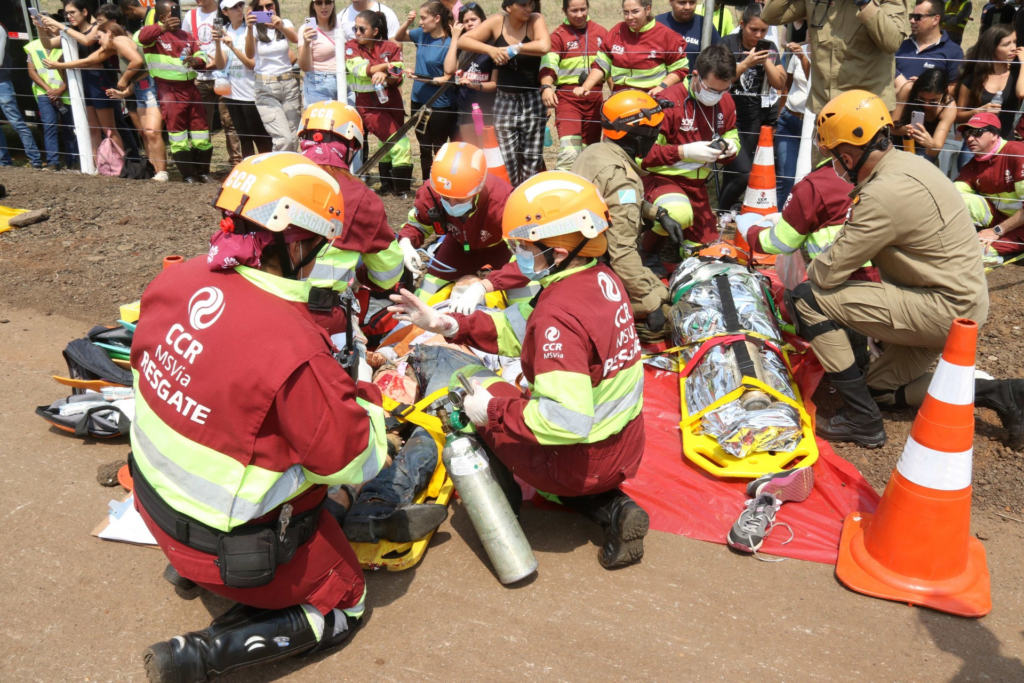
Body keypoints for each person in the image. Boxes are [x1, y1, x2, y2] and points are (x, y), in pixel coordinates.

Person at [132, 152, 387, 681]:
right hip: (228, 550)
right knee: (346, 599)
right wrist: (366, 396)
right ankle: (202, 653)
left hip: (151, 504)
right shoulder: (292, 344)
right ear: (296, 243)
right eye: (317, 247)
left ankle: (189, 569)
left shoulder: (177, 280)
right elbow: (352, 459)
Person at [388, 170, 652, 569]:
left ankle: (504, 507)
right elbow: (516, 328)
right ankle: (612, 507)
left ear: (560, 250)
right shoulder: (598, 279)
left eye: (524, 246)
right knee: (514, 402)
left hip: (583, 454)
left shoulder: (558, 316)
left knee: (473, 393)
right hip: (625, 445)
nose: (517, 255)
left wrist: (489, 412)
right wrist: (449, 325)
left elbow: (564, 421)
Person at [789, 89, 1024, 453]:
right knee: (881, 391)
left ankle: (860, 419)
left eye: (835, 158)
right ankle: (999, 392)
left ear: (848, 155)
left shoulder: (881, 194)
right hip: (960, 309)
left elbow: (826, 276)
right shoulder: (911, 167)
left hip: (940, 310)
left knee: (807, 298)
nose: (835, 166)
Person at [571, 90, 675, 342]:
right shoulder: (622, 179)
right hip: (590, 269)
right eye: (654, 133)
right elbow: (622, 254)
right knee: (666, 305)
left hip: (571, 254)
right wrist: (651, 304)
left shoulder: (594, 152)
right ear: (640, 137)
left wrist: (655, 212)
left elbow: (605, 201)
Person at [297, 102, 407, 308]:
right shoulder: (360, 196)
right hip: (319, 311)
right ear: (352, 145)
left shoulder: (268, 175)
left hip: (253, 299)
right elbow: (388, 273)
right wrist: (359, 279)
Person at [641, 44, 739, 254]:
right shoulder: (667, 101)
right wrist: (683, 152)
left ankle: (675, 244)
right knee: (677, 213)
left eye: (724, 89)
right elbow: (642, 156)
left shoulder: (726, 102)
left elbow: (731, 133)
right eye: (712, 90)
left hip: (696, 187)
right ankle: (647, 251)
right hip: (658, 180)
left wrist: (731, 148)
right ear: (695, 76)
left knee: (710, 251)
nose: (717, 96)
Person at [398, 141, 519, 303]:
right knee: (426, 294)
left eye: (461, 199)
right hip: (458, 245)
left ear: (479, 188)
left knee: (522, 295)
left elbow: (524, 254)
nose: (452, 205)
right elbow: (417, 224)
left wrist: (486, 285)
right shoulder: (431, 193)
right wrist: (406, 242)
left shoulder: (503, 202)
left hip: (501, 248)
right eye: (446, 198)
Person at [457, 0, 551, 186]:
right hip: (504, 99)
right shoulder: (497, 21)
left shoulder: (535, 20)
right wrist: (490, 49)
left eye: (530, 4)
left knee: (531, 159)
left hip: (531, 98)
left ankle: (526, 203)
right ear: (509, 7)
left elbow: (544, 46)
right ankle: (509, 199)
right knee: (506, 158)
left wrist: (515, 48)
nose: (528, 8)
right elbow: (463, 40)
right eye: (523, 4)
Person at [762, 0, 909, 112]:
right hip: (825, 110)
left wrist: (866, 4)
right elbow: (769, 16)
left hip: (866, 111)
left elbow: (892, 42)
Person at [742, 149, 869, 278]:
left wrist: (751, 234)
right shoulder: (881, 170)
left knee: (798, 296)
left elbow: (783, 241)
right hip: (884, 273)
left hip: (843, 278)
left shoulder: (815, 184)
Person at [718, 3, 785, 211]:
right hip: (727, 116)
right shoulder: (727, 43)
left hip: (752, 117)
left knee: (736, 171)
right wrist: (746, 63)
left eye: (763, 30)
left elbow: (780, 83)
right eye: (753, 29)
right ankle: (721, 209)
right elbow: (720, 79)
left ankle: (724, 210)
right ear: (742, 25)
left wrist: (766, 61)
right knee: (743, 173)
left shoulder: (770, 47)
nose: (758, 34)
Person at [37, 2, 124, 161]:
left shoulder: (97, 27)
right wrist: (40, 27)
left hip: (98, 81)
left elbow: (87, 41)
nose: (68, 16)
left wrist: (60, 26)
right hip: (82, 82)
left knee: (109, 129)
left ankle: (120, 165)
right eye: (66, 14)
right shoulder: (73, 31)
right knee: (93, 129)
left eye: (72, 12)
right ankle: (99, 165)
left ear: (84, 11)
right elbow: (47, 43)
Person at [138, 0, 213, 182]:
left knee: (200, 130)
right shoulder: (154, 36)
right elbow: (141, 37)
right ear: (162, 16)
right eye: (172, 13)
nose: (176, 16)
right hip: (169, 90)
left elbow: (200, 53)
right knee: (177, 133)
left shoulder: (186, 35)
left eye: (177, 12)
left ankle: (202, 172)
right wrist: (161, 28)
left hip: (191, 88)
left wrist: (198, 61)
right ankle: (187, 175)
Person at [343, 9, 413, 197]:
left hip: (392, 101)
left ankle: (387, 186)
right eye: (355, 28)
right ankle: (402, 191)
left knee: (387, 144)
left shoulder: (390, 46)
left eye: (362, 29)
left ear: (375, 31)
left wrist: (387, 74)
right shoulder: (351, 46)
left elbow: (400, 75)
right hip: (369, 106)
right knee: (401, 144)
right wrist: (386, 67)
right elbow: (360, 70)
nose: (357, 33)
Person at [540, 0, 607, 171]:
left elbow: (609, 66)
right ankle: (563, 190)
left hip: (595, 99)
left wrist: (614, 93)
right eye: (574, 10)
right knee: (570, 151)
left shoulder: (601, 33)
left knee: (590, 154)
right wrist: (546, 87)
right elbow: (548, 66)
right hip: (568, 99)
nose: (579, 15)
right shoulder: (558, 36)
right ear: (564, 11)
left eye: (583, 9)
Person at [576, 0, 689, 97]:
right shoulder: (617, 31)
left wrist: (661, 87)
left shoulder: (667, 36)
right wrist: (586, 86)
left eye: (635, 11)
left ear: (647, 9)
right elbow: (601, 64)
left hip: (653, 99)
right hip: (620, 100)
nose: (630, 17)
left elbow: (679, 70)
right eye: (626, 12)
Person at [396, 1, 455, 185]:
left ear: (437, 19)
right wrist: (407, 22)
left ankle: (440, 185)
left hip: (440, 105)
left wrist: (423, 78)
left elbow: (449, 77)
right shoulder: (421, 34)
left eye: (423, 18)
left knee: (439, 149)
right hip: (418, 102)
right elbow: (398, 37)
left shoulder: (450, 43)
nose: (420, 22)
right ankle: (425, 186)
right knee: (423, 148)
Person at [955, 111, 1024, 260]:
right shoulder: (974, 164)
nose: (970, 139)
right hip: (1002, 220)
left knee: (975, 255)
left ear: (994, 135)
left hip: (1015, 225)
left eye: (977, 132)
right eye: (967, 134)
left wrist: (997, 231)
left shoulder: (1017, 152)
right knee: (957, 200)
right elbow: (951, 195)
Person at [954, 25, 1024, 167]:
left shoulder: (1018, 74)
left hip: (1006, 141)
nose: (1013, 48)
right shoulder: (973, 77)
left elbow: (1021, 93)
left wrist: (1023, 64)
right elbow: (956, 115)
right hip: (975, 143)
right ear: (992, 48)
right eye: (1006, 44)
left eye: (1015, 42)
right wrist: (978, 111)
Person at [186, 0, 242, 166]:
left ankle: (236, 163)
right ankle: (203, 167)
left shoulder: (226, 12)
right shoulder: (191, 16)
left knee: (230, 122)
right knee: (201, 124)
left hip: (225, 76)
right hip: (201, 78)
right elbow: (186, 43)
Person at [213, 0, 272, 157]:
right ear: (225, 12)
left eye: (241, 5)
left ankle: (266, 168)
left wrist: (232, 46)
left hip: (251, 91)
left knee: (260, 136)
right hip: (231, 92)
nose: (240, 9)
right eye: (234, 7)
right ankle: (249, 169)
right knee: (244, 138)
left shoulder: (250, 29)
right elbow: (220, 65)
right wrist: (218, 44)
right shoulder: (224, 30)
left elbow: (251, 64)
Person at [245, 0, 300, 152]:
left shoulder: (284, 23)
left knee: (294, 139)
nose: (266, 10)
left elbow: (296, 39)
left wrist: (280, 26)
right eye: (260, 8)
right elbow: (249, 54)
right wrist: (249, 28)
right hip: (266, 86)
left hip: (289, 85)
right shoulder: (254, 28)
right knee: (284, 139)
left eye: (269, 6)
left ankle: (291, 173)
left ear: (276, 5)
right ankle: (279, 172)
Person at [445, 4, 497, 149]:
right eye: (466, 21)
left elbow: (495, 84)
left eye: (474, 19)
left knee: (487, 150)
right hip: (465, 106)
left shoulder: (492, 47)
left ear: (483, 21)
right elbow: (449, 69)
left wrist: (474, 85)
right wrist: (455, 38)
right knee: (472, 150)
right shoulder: (462, 48)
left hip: (488, 108)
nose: (470, 24)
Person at [24, 35, 76, 170]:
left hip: (66, 94)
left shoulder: (66, 44)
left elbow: (74, 70)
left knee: (69, 128)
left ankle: (73, 161)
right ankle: (53, 162)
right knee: (49, 126)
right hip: (44, 93)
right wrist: (49, 90)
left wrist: (61, 89)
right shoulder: (33, 46)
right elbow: (32, 71)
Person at [894, 0, 964, 92]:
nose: (912, 21)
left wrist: (927, 86)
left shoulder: (953, 52)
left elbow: (954, 89)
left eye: (917, 17)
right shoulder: (899, 46)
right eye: (911, 16)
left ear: (935, 19)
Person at [893, 67, 957, 161]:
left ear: (945, 92)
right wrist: (905, 130)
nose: (926, 104)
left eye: (933, 101)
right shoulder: (908, 90)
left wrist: (929, 143)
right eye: (921, 98)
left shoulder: (948, 107)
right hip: (897, 143)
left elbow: (935, 150)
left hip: (923, 149)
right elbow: (891, 128)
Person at [775, 39, 808, 205]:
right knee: (786, 178)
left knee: (806, 178)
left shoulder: (834, 58)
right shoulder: (799, 52)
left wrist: (803, 58)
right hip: (789, 120)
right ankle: (778, 219)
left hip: (813, 128)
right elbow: (787, 85)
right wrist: (779, 114)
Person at [298, 0, 340, 106]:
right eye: (319, 3)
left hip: (344, 82)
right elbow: (305, 67)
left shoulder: (339, 24)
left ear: (333, 4)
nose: (324, 6)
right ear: (313, 5)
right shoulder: (306, 29)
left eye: (328, 2)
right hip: (318, 84)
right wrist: (307, 43)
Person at [657, 0, 720, 66]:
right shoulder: (657, 23)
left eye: (692, 2)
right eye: (682, 2)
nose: (688, 7)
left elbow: (718, 59)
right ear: (670, 2)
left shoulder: (705, 25)